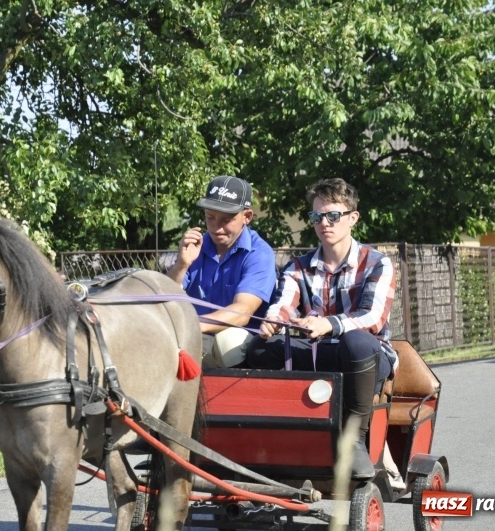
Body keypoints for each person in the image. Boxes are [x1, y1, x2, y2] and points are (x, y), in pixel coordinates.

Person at [246, 177, 397, 480]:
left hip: (366, 357)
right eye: (316, 216)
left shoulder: (378, 264)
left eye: (332, 215)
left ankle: (354, 439)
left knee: (355, 342)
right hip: (315, 353)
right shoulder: (297, 266)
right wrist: (273, 322)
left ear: (352, 218)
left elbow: (373, 318)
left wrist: (328, 324)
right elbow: (283, 304)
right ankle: (272, 438)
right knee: (259, 349)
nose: (324, 223)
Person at [167, 176, 277, 368]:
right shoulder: (196, 246)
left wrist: (191, 325)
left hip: (237, 344)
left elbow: (242, 313)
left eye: (227, 220)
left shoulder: (259, 253)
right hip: (195, 335)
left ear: (247, 217)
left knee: (229, 341)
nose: (216, 227)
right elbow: (167, 296)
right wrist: (181, 266)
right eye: (210, 217)